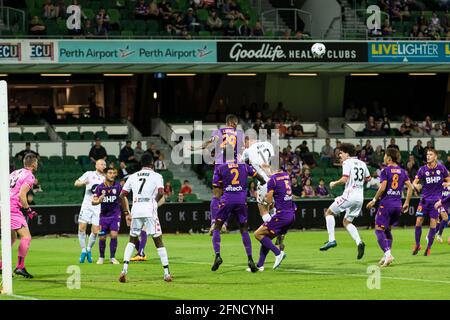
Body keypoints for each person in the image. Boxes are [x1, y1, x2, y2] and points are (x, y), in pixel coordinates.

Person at [119, 153, 172, 282]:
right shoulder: (157, 176)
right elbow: (161, 192)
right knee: (158, 240)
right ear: (152, 163)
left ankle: (124, 270)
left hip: (136, 210)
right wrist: (153, 202)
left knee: (132, 239)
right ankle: (166, 273)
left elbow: (122, 195)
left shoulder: (132, 176)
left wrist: (126, 213)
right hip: (149, 210)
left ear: (141, 164)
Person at [194, 114, 244, 239]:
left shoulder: (218, 131)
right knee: (228, 196)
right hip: (232, 167)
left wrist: (197, 147)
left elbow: (210, 142)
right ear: (232, 123)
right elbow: (241, 152)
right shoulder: (239, 134)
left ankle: (213, 224)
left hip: (220, 166)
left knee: (216, 195)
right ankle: (224, 224)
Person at [211, 161, 265, 272]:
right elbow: (257, 176)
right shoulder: (244, 166)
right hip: (241, 200)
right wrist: (263, 181)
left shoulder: (220, 168)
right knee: (244, 229)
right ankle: (250, 259)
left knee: (217, 227)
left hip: (227, 200)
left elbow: (216, 189)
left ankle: (217, 255)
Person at [320, 143, 370, 259]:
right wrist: (357, 183)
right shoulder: (362, 163)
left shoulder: (347, 162)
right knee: (347, 222)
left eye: (341, 153)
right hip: (360, 198)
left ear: (347, 153)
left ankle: (331, 240)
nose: (339, 155)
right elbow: (368, 178)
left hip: (349, 196)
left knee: (328, 213)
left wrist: (334, 183)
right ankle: (359, 242)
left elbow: (344, 178)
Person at [366, 148, 413, 267]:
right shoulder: (403, 172)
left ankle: (388, 254)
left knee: (378, 229)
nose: (383, 158)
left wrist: (374, 200)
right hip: (398, 205)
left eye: (385, 155)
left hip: (386, 204)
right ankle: (387, 255)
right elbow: (410, 187)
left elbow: (382, 188)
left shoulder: (385, 170)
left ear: (389, 158)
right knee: (387, 230)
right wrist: (406, 202)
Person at [0, 154, 39, 278]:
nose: (37, 164)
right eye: (36, 162)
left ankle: (1, 265)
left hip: (3, 205)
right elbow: (22, 195)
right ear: (33, 164)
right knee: (26, 237)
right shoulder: (29, 176)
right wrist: (28, 210)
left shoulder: (14, 173)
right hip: (12, 208)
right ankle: (20, 267)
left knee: (11, 238)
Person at [252, 167, 296, 271]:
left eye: (266, 167)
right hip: (291, 214)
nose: (265, 170)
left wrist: (265, 201)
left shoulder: (273, 179)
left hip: (281, 216)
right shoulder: (286, 176)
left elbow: (269, 199)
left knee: (257, 234)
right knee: (267, 238)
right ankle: (260, 265)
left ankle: (278, 253)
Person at [412, 149, 450, 256]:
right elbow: (414, 182)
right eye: (427, 154)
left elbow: (449, 179)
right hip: (424, 200)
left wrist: (447, 184)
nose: (428, 156)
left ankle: (428, 248)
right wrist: (416, 187)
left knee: (433, 224)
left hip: (436, 202)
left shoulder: (441, 168)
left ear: (435, 157)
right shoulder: (422, 170)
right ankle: (417, 244)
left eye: (430, 154)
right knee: (418, 221)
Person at [74, 159, 106, 263]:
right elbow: (76, 183)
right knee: (82, 227)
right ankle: (83, 250)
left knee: (95, 231)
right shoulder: (89, 174)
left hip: (98, 207)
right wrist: (83, 182)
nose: (103, 166)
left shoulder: (106, 178)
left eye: (104, 164)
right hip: (87, 205)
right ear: (96, 165)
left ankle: (88, 249)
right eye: (101, 164)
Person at [91, 167, 122, 265]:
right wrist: (99, 200)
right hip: (103, 216)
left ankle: (112, 258)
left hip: (115, 215)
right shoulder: (100, 188)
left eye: (113, 173)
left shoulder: (118, 187)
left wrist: (126, 212)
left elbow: (123, 199)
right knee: (102, 237)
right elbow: (93, 202)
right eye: (110, 173)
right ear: (105, 174)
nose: (112, 175)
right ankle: (101, 257)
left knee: (114, 235)